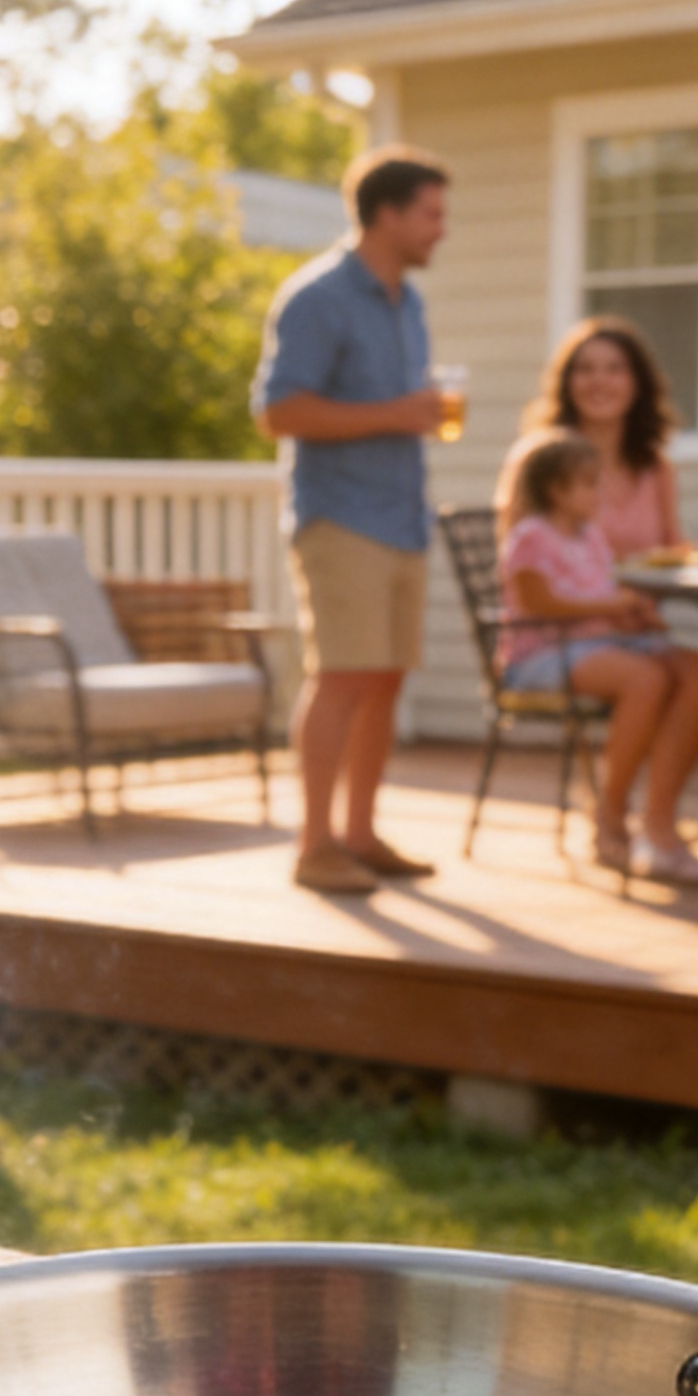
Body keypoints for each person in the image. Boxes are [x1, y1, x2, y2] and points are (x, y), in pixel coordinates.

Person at [254, 146, 455, 898]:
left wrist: (412, 415)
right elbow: (278, 412)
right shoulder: (318, 298)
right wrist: (394, 414)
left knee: (385, 681)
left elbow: (399, 411)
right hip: (341, 519)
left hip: (401, 517)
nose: (441, 230)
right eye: (432, 215)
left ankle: (361, 835)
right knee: (341, 677)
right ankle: (315, 846)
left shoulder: (410, 302)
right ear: (388, 214)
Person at [493, 431, 698, 884]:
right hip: (542, 653)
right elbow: (540, 604)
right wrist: (612, 607)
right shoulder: (530, 538)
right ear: (556, 490)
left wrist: (633, 615)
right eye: (588, 484)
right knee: (645, 680)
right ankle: (611, 809)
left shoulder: (592, 536)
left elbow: (599, 594)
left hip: (603, 643)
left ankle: (660, 828)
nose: (599, 494)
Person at [523, 316, 685, 561]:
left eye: (615, 369)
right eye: (585, 369)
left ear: (638, 383)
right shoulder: (541, 458)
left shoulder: (656, 467)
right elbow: (521, 563)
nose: (599, 381)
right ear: (566, 382)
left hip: (645, 600)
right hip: (568, 599)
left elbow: (675, 550)